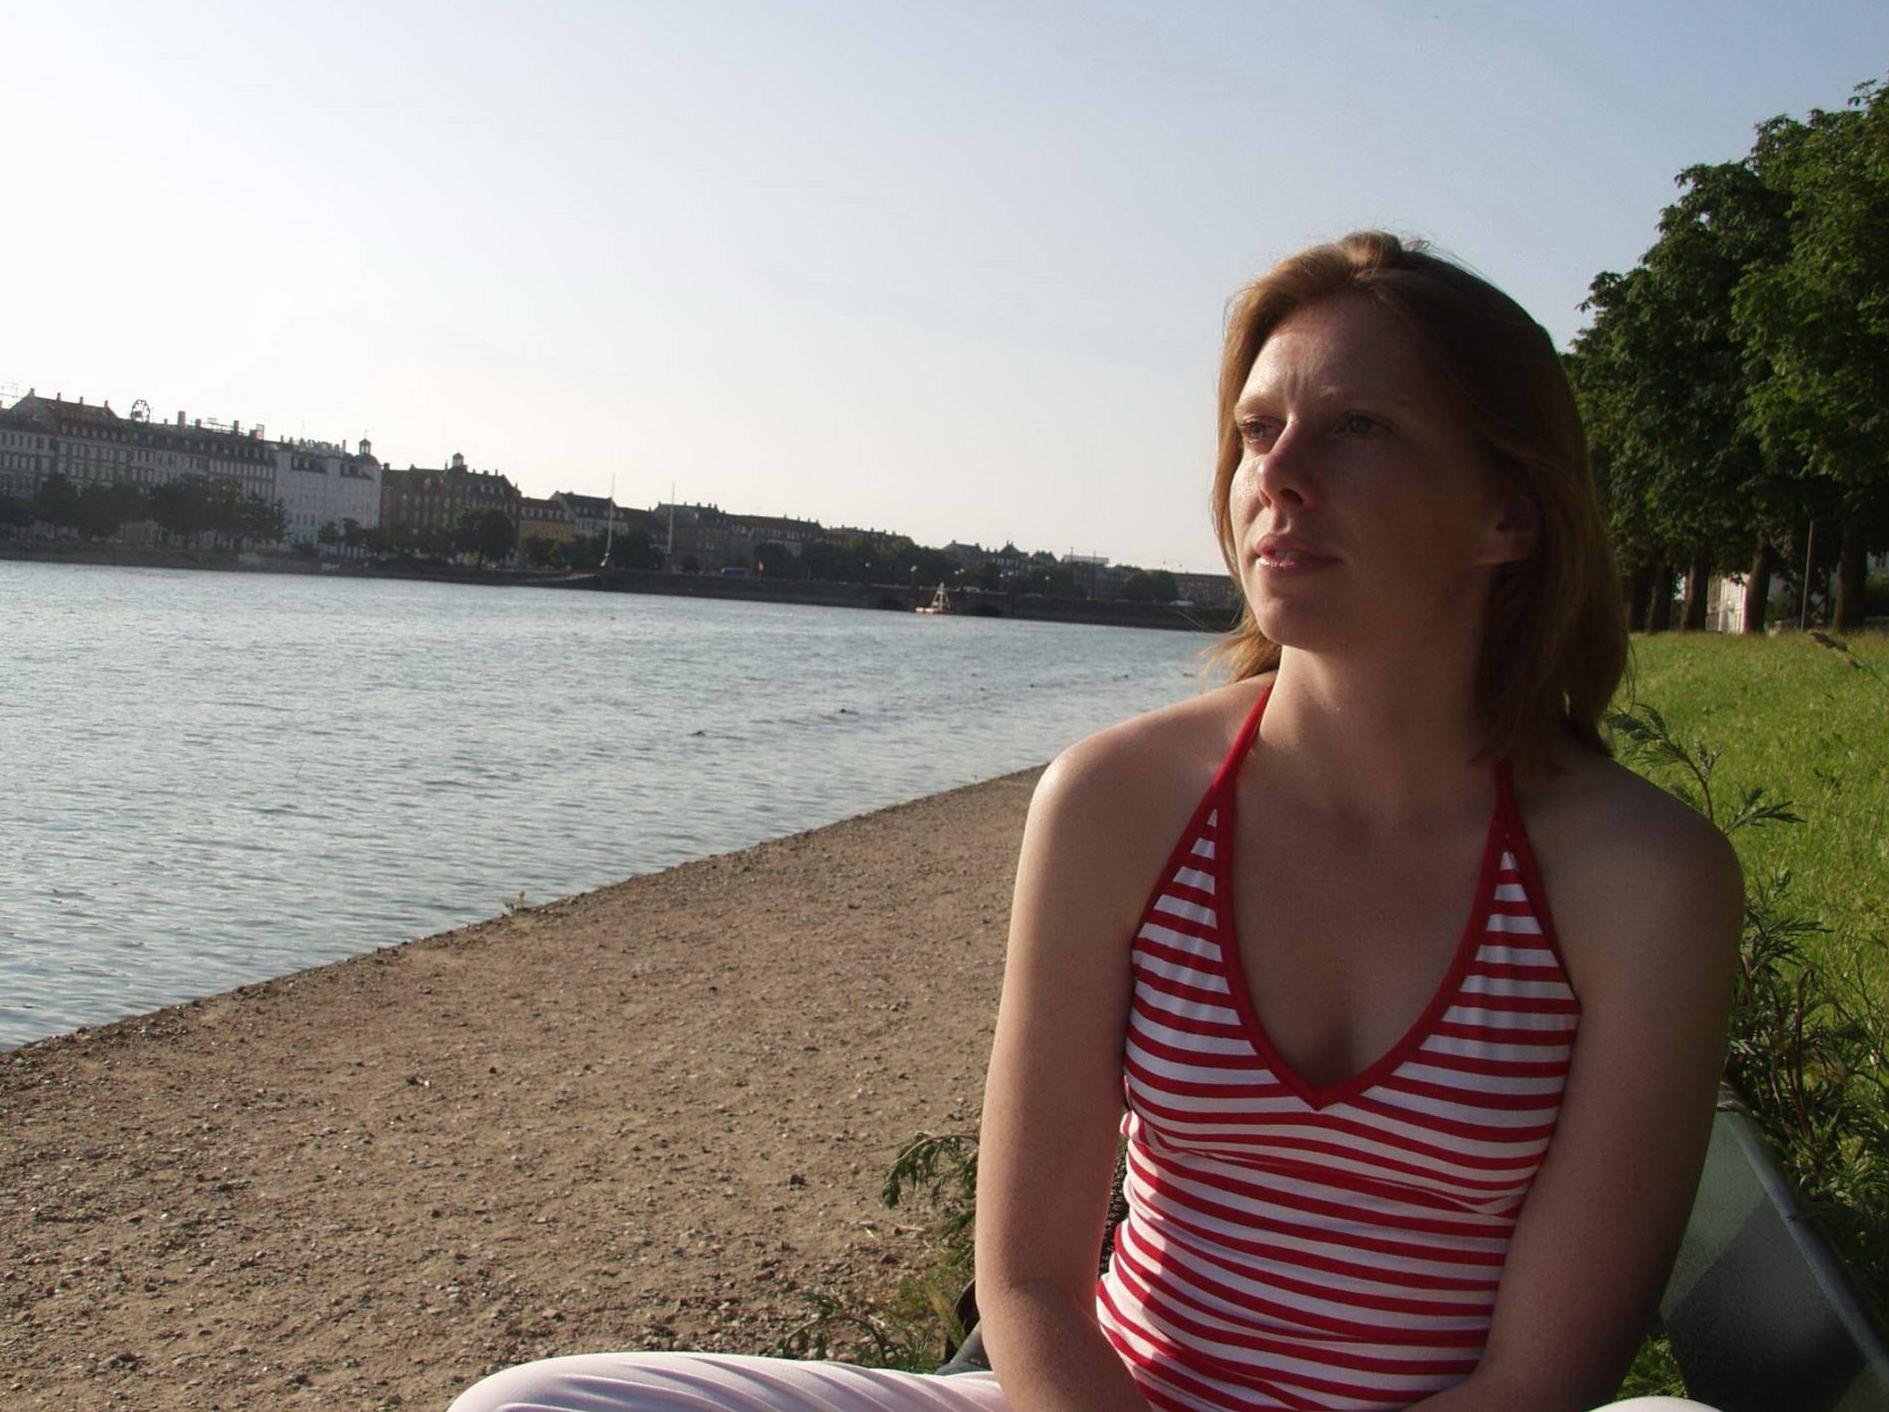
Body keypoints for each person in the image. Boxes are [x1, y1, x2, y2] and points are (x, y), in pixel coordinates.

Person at [448, 232, 1742, 1412]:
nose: (1276, 475)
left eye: (1357, 428)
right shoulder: (1119, 802)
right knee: (530, 1407)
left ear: (1508, 511)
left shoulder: (1635, 877)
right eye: (1255, 430)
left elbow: (1542, 1377)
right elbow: (1026, 1282)